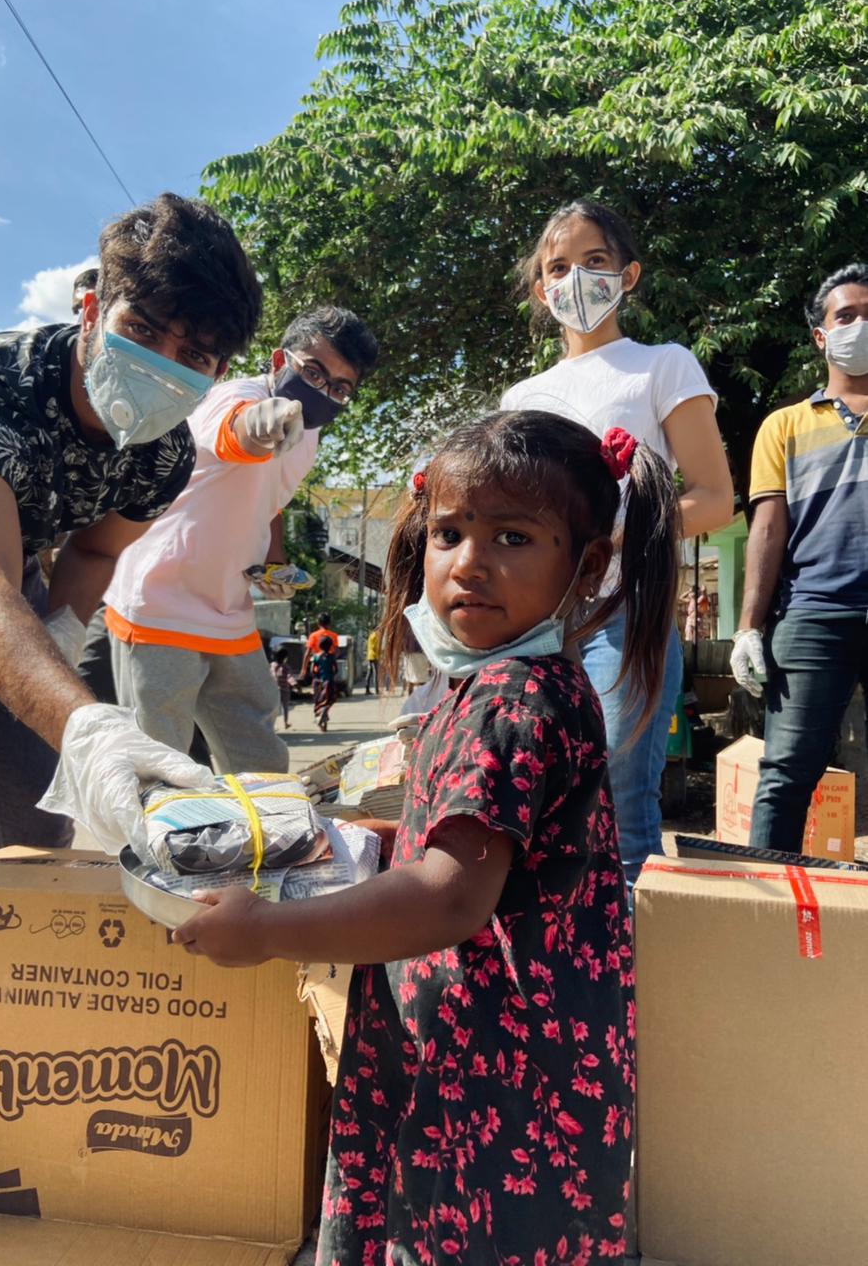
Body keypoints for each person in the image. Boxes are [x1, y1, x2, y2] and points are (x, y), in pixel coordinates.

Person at [174, 407, 681, 1265]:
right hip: (512, 1046)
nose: (470, 564)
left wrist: (263, 931)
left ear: (588, 565)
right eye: (449, 533)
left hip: (492, 1069)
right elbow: (493, 845)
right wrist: (375, 838)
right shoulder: (501, 681)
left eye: (514, 538)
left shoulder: (510, 700)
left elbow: (448, 896)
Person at [0, 192, 263, 865]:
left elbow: (97, 548)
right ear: (94, 309)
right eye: (145, 331)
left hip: (12, 593)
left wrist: (62, 633)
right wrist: (90, 728)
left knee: (42, 823)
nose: (165, 363)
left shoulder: (162, 453)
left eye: (196, 356)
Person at [502, 197, 733, 887]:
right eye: (560, 266)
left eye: (595, 261)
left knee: (618, 804)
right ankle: (550, 968)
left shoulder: (662, 367)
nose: (577, 278)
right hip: (531, 622)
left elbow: (715, 499)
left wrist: (617, 536)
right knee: (530, 800)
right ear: (542, 290)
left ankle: (627, 984)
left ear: (627, 276)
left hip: (622, 614)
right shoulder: (521, 396)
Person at [104, 308, 377, 773]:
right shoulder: (236, 395)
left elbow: (269, 499)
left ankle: (268, 844)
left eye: (339, 387)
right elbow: (240, 432)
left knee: (261, 763)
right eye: (312, 371)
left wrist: (275, 563)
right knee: (160, 770)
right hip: (159, 603)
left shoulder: (309, 436)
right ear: (278, 361)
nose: (322, 391)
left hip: (230, 610)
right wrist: (266, 420)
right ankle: (148, 848)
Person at [731, 263, 868, 853]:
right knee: (786, 775)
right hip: (813, 616)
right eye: (847, 316)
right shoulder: (782, 426)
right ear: (821, 335)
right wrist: (747, 629)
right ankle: (770, 924)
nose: (860, 325)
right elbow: (767, 528)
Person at [300, 610, 340, 683]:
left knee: (316, 687)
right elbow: (336, 652)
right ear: (329, 623)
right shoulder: (334, 635)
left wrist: (303, 669)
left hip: (317, 669)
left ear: (318, 623)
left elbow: (307, 654)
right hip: (329, 669)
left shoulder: (313, 635)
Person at [309, 634, 338, 731]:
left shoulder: (316, 657)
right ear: (330, 646)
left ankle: (321, 717)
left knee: (319, 701)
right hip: (329, 682)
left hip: (318, 682)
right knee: (330, 700)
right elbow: (335, 669)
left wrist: (316, 676)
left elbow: (312, 670)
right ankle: (324, 714)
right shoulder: (331, 656)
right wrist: (331, 675)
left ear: (319, 645)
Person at [269, 646, 296, 729]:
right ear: (285, 657)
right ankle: (286, 723)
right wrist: (295, 684)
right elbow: (289, 677)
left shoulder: (272, 665)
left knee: (273, 708)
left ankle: (271, 724)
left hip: (273, 690)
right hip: (285, 690)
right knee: (285, 707)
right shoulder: (286, 667)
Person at [364, 625, 381, 694]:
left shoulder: (371, 635)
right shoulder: (375, 636)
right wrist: (380, 651)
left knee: (369, 673)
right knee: (376, 673)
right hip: (374, 656)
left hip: (370, 656)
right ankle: (377, 690)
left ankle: (367, 689)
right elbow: (374, 647)